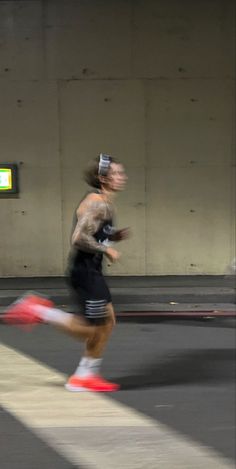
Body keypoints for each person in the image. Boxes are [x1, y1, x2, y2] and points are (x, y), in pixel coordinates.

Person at [3, 154, 129, 392]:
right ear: (102, 178)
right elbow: (79, 238)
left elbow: (94, 231)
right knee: (91, 329)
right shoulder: (97, 203)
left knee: (108, 322)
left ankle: (85, 375)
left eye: (122, 173)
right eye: (117, 174)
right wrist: (107, 249)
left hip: (92, 270)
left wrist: (112, 236)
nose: (123, 177)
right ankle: (38, 310)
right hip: (85, 272)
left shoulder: (104, 201)